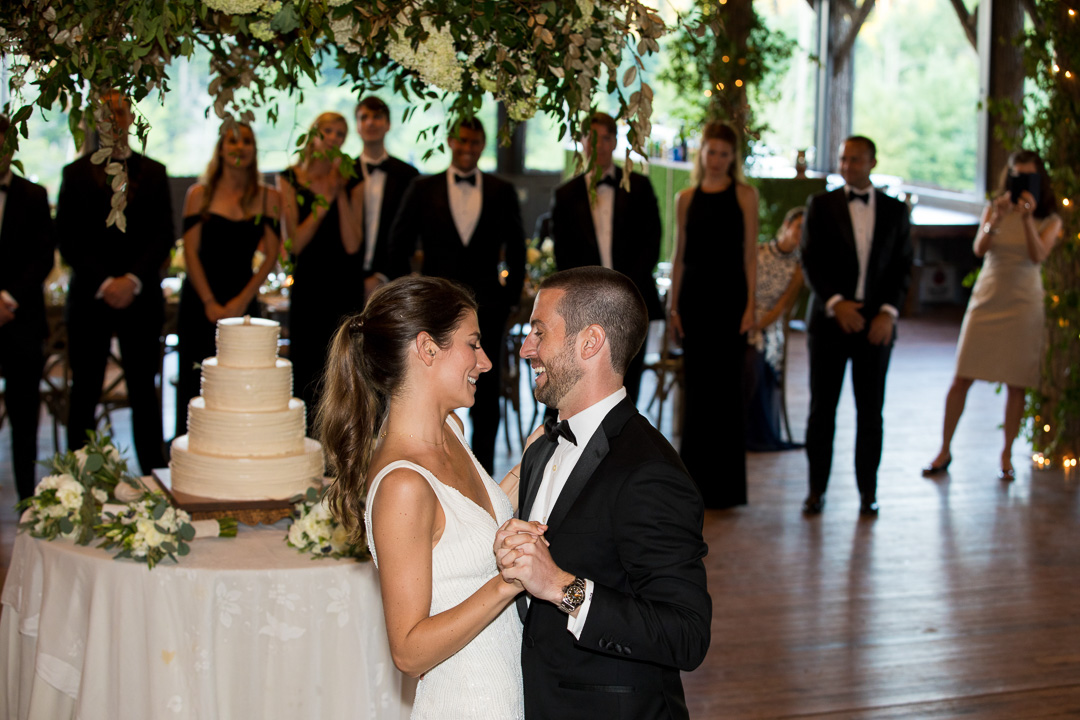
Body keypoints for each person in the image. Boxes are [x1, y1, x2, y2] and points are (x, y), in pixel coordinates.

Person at [495, 266, 711, 720]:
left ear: (589, 342)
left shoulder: (649, 471)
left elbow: (686, 635)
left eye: (539, 332)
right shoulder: (542, 449)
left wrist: (561, 587)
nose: (525, 348)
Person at [317, 276, 535, 719]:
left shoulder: (450, 433)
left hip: (505, 690)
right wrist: (508, 582)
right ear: (427, 349)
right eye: (472, 345)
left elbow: (471, 524)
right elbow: (409, 651)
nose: (486, 362)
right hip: (467, 703)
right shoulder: (402, 484)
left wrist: (536, 455)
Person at [388, 117, 526, 474]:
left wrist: (507, 299)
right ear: (450, 141)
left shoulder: (501, 190)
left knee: (488, 391)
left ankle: (482, 473)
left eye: (475, 142)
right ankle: (433, 467)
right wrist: (414, 297)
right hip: (434, 313)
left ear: (483, 146)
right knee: (429, 388)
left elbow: (517, 248)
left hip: (488, 312)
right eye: (462, 141)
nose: (467, 148)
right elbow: (397, 243)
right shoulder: (422, 188)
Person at [923, 150, 1061, 481]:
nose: (1022, 182)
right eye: (1017, 176)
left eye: (1029, 176)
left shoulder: (1050, 218)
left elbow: (1038, 255)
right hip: (988, 297)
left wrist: (1027, 218)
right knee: (961, 377)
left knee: (1017, 383)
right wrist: (995, 219)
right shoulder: (995, 206)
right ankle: (944, 448)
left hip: (1024, 301)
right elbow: (979, 249)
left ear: (1039, 179)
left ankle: (1006, 454)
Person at [56, 90, 173, 473]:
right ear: (95, 120)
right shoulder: (73, 174)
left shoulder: (154, 172)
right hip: (91, 298)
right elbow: (68, 239)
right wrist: (106, 281)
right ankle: (77, 476)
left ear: (129, 118)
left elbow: (163, 236)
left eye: (120, 112)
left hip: (140, 300)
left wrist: (133, 280)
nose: (113, 119)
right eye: (105, 113)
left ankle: (153, 472)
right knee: (84, 392)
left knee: (144, 392)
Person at [800, 135, 913, 516]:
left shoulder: (897, 211)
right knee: (822, 410)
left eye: (856, 160)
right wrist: (836, 303)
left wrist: (888, 313)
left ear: (873, 162)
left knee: (870, 411)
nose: (848, 166)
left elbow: (903, 267)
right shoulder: (821, 204)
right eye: (843, 159)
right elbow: (810, 260)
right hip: (831, 321)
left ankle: (869, 492)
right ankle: (816, 490)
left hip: (876, 324)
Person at [669, 121, 758, 508]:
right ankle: (694, 488)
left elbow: (750, 253)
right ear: (701, 153)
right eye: (712, 151)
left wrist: (752, 305)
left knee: (727, 393)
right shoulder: (686, 198)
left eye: (724, 153)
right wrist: (673, 306)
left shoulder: (745, 195)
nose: (717, 159)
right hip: (694, 302)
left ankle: (726, 489)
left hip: (731, 302)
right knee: (699, 394)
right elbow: (679, 255)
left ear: (733, 157)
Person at [174, 123, 281, 435]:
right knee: (196, 383)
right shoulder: (199, 195)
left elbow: (271, 255)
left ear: (254, 150)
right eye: (232, 142)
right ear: (220, 149)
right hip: (199, 300)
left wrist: (240, 301)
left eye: (246, 141)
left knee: (242, 385)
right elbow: (190, 252)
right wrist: (209, 301)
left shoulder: (268, 197)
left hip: (244, 300)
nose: (239, 148)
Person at [549, 111, 662, 404]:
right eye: (592, 138)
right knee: (582, 379)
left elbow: (652, 243)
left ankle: (626, 444)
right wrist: (589, 296)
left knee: (629, 380)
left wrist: (623, 290)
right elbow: (564, 257)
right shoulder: (565, 195)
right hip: (583, 305)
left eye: (605, 138)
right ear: (583, 142)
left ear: (615, 142)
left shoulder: (639, 187)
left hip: (633, 298)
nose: (598, 145)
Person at [278, 111, 364, 429]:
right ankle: (307, 445)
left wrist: (339, 191)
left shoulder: (352, 179)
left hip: (345, 286)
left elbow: (354, 242)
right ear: (313, 135)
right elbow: (294, 243)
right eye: (327, 131)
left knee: (345, 369)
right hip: (309, 287)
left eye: (341, 134)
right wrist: (325, 197)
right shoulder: (289, 178)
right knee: (308, 367)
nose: (333, 139)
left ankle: (342, 448)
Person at [0, 114, 55, 501]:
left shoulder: (34, 196)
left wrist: (8, 298)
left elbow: (43, 258)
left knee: (24, 417)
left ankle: (27, 501)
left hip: (22, 322)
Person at [745, 206, 805, 452]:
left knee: (752, 360)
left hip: (769, 327)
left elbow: (782, 306)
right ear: (787, 225)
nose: (802, 233)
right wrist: (747, 318)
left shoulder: (798, 267)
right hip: (745, 316)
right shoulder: (758, 252)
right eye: (799, 226)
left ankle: (750, 433)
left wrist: (758, 325)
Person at [354, 96, 419, 301]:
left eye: (377, 116)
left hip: (394, 279)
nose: (370, 122)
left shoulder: (408, 175)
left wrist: (382, 276)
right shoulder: (342, 172)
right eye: (364, 117)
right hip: (347, 279)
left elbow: (408, 235)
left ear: (388, 124)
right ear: (357, 126)